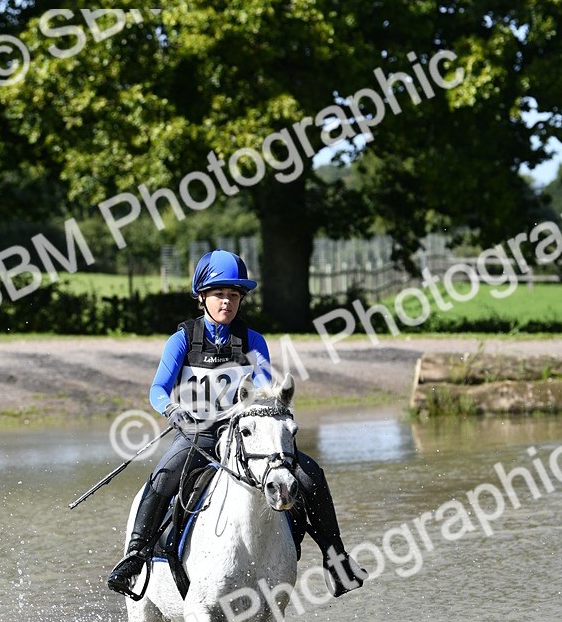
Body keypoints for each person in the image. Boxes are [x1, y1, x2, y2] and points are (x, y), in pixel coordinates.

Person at [107, 249, 367, 599]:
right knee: (163, 477)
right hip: (198, 436)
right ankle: (135, 557)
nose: (227, 302)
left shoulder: (252, 341)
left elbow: (263, 388)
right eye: (219, 294)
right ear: (202, 297)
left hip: (246, 436)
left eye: (233, 295)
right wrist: (171, 410)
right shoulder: (182, 339)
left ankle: (336, 560)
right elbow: (157, 389)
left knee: (310, 474)